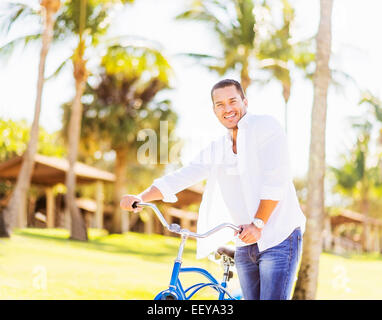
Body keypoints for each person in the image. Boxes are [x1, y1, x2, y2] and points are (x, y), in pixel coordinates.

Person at [120, 79, 306, 300]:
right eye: (220, 104)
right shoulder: (219, 148)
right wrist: (141, 197)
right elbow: (183, 175)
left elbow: (277, 180)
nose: (227, 109)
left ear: (245, 101)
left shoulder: (265, 127)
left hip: (278, 237)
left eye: (232, 101)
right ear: (214, 110)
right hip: (245, 243)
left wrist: (258, 224)